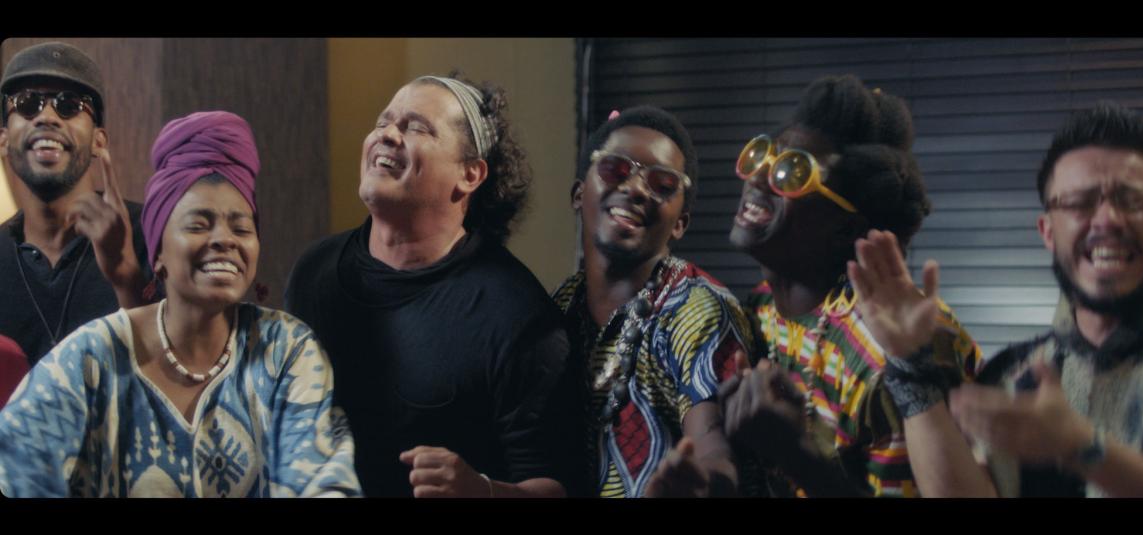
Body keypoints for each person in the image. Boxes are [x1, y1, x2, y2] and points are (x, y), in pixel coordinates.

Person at [0, 111, 359, 497]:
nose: (225, 240)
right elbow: (14, 469)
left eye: (241, 228)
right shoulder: (89, 358)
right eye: (198, 225)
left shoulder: (286, 350)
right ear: (157, 254)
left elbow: (322, 481)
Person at [858, 102, 1143, 498]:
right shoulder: (1014, 374)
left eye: (1134, 200)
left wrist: (1081, 447)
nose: (1107, 220)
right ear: (1048, 232)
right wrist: (909, 368)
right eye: (1079, 202)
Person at [285, 74, 579, 498]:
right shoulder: (315, 271)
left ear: (470, 174)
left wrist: (480, 491)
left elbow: (556, 487)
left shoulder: (517, 315)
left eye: (416, 128)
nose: (388, 134)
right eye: (383, 122)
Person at [719, 75, 983, 497]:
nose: (759, 178)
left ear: (846, 229)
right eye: (764, 155)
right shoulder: (761, 307)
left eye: (792, 172)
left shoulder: (894, 351)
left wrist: (796, 454)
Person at [552, 106, 757, 497]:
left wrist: (703, 479)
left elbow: (713, 446)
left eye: (662, 183)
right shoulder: (560, 305)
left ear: (680, 223)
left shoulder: (697, 309)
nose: (635, 189)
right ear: (579, 194)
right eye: (615, 169)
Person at [0, 42, 151, 363]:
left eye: (68, 105)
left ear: (99, 140)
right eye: (27, 104)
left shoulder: (152, 235)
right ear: (4, 139)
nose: (47, 117)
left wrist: (126, 277)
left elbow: (179, 368)